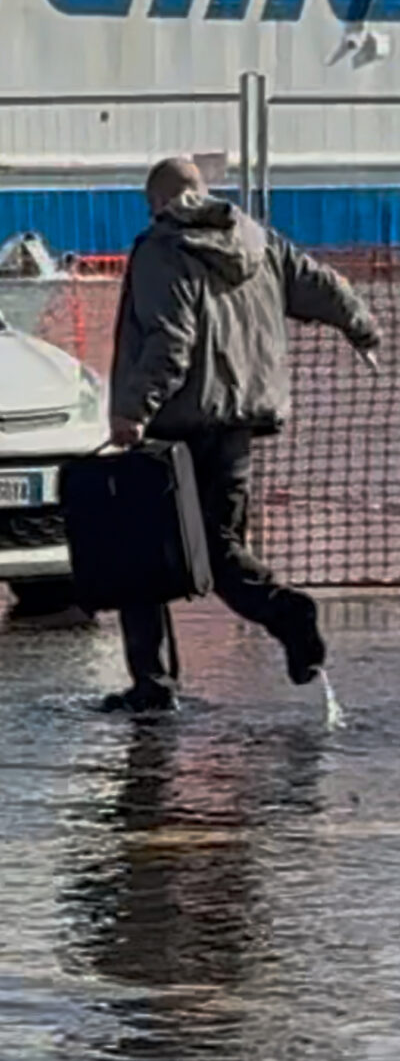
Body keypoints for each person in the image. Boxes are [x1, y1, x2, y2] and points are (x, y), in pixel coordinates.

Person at [105, 157, 381, 713]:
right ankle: (285, 612)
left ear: (157, 201)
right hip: (236, 427)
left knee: (137, 556)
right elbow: (321, 285)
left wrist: (132, 411)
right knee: (222, 550)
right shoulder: (257, 240)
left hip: (172, 425)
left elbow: (170, 343)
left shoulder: (163, 248)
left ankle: (153, 686)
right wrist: (362, 327)